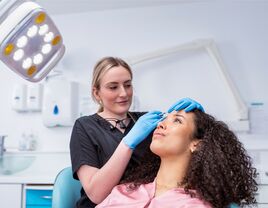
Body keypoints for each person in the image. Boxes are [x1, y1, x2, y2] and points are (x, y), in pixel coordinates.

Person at [69, 56, 204, 208]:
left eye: (127, 85)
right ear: (96, 93)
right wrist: (128, 143)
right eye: (113, 87)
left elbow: (187, 144)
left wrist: (198, 120)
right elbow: (96, 194)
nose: (124, 93)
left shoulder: (148, 122)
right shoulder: (85, 127)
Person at [96, 108, 258, 208]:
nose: (161, 124)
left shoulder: (195, 205)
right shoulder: (124, 190)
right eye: (163, 119)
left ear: (197, 145)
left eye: (177, 121)